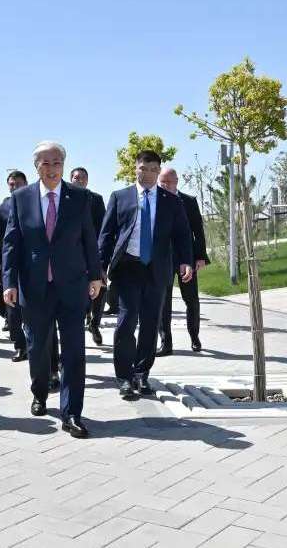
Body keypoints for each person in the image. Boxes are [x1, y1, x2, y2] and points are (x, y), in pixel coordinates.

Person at [3, 141, 103, 439]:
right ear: (37, 167)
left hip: (72, 285)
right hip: (34, 288)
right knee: (37, 346)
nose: (51, 168)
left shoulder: (80, 198)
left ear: (63, 164)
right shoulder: (21, 198)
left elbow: (89, 239)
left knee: (74, 350)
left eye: (56, 162)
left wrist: (96, 276)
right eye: (45, 163)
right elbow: (11, 243)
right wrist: (9, 282)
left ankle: (71, 412)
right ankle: (40, 393)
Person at [97, 150, 192, 401]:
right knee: (127, 321)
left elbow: (182, 234)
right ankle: (124, 377)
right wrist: (99, 268)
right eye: (143, 168)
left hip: (157, 270)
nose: (148, 174)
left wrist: (185, 262)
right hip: (128, 268)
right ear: (135, 168)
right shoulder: (120, 197)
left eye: (153, 170)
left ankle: (142, 373)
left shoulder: (170, 201)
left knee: (151, 322)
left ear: (158, 172)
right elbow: (106, 235)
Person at [157, 167, 210, 354]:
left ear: (176, 181)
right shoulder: (155, 201)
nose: (165, 185)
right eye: (162, 182)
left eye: (168, 182)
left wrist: (201, 256)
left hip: (186, 258)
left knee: (191, 300)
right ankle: (166, 342)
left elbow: (198, 231)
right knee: (164, 301)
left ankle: (194, 336)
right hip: (163, 259)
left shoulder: (188, 201)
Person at [0, 170, 30, 362]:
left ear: (26, 184)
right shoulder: (1, 209)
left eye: (18, 183)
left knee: (32, 309)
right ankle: (20, 346)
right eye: (11, 184)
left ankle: (36, 345)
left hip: (32, 265)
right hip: (10, 266)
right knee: (12, 311)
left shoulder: (34, 203)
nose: (14, 187)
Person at [70, 166, 107, 345]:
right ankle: (82, 318)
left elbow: (103, 229)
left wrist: (101, 258)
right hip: (72, 255)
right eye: (76, 178)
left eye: (83, 178)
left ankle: (94, 324)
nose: (80, 180)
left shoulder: (96, 199)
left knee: (100, 290)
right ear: (71, 179)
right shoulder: (64, 198)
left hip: (94, 253)